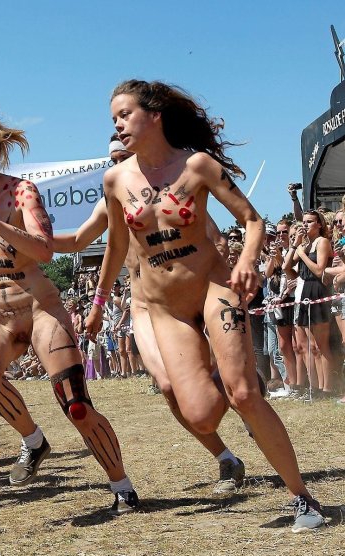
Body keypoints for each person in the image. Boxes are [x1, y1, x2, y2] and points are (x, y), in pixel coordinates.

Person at [86, 79, 325, 532]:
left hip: (214, 289)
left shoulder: (195, 165)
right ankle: (221, 370)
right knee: (200, 412)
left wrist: (250, 261)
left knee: (243, 395)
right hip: (166, 309)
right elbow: (116, 248)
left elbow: (252, 220)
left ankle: (303, 499)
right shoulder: (116, 179)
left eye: (124, 115)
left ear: (154, 116)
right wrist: (99, 302)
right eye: (113, 119)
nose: (117, 125)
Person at [0, 116, 139, 512]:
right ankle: (33, 440)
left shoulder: (21, 192)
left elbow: (44, 250)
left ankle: (122, 486)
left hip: (39, 307)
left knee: (75, 403)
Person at [53, 135, 246, 495]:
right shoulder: (113, 198)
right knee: (170, 386)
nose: (117, 163)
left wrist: (228, 281)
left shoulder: (172, 190)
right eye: (111, 158)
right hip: (145, 304)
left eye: (122, 155)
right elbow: (79, 241)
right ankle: (225, 457)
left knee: (226, 378)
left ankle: (244, 396)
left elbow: (214, 237)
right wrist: (28, 238)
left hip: (196, 292)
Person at [283, 209, 336, 398]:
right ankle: (319, 388)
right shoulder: (305, 245)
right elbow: (285, 267)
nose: (304, 225)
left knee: (321, 345)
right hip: (305, 292)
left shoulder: (322, 242)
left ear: (319, 224)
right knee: (312, 346)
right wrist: (294, 246)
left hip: (318, 290)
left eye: (309, 221)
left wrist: (302, 255)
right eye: (303, 222)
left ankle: (327, 388)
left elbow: (320, 270)